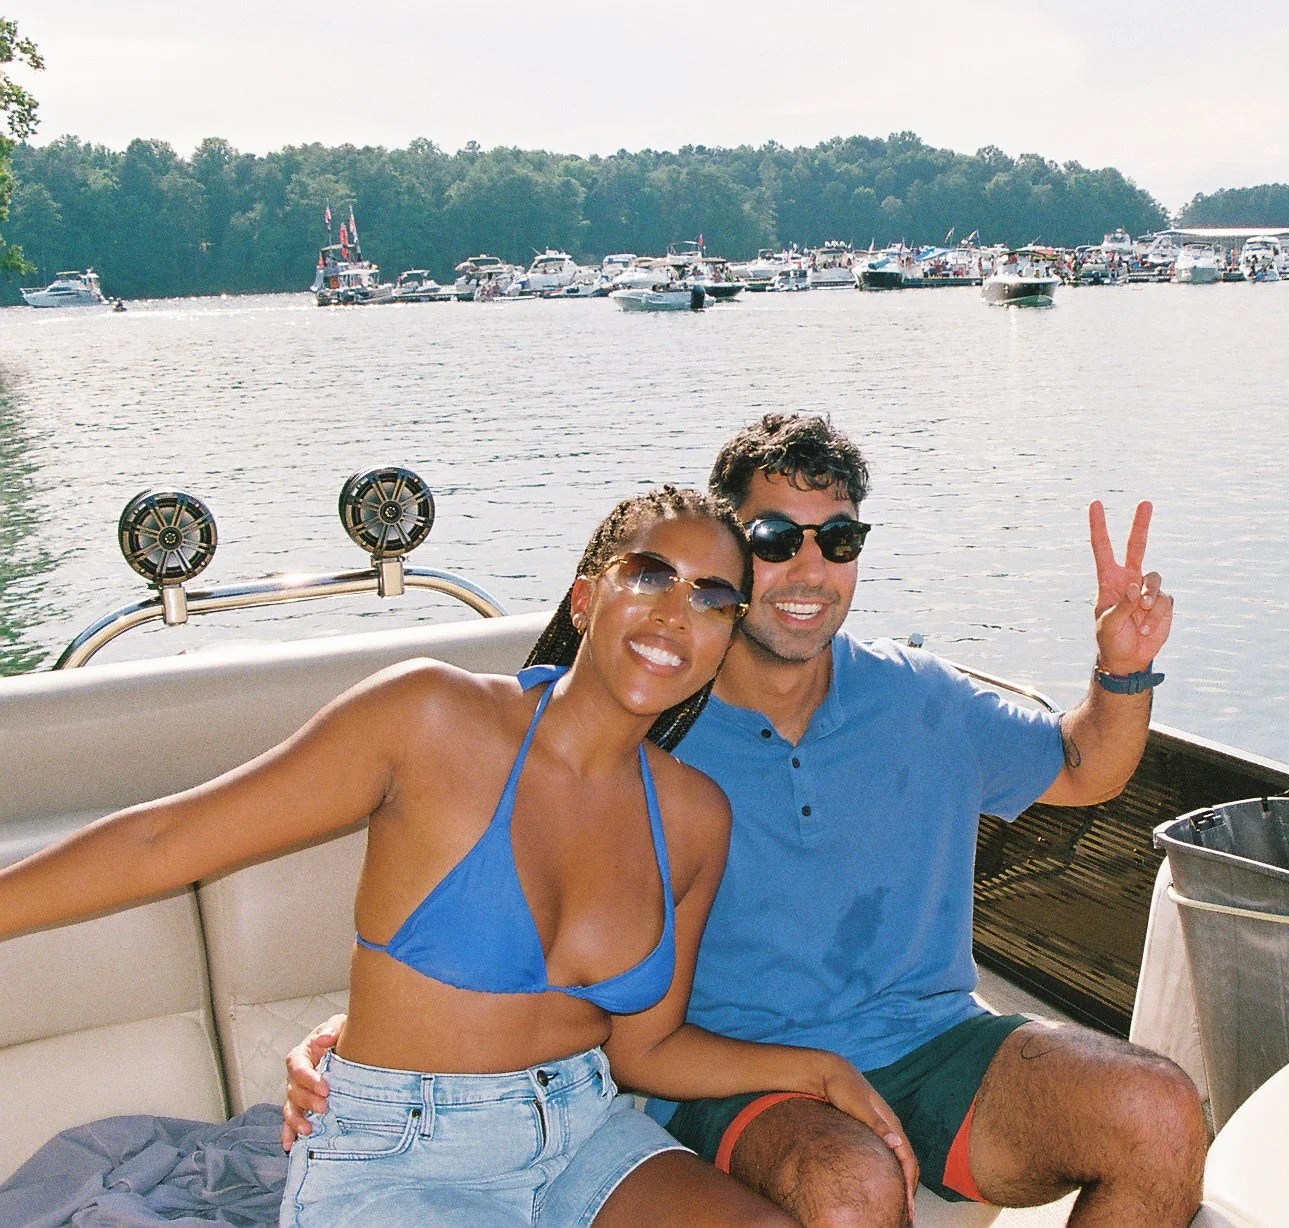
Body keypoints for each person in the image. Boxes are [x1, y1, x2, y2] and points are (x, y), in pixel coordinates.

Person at [290, 417, 1209, 1226]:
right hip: (731, 1072)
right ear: (730, 552)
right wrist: (359, 1040)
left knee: (1162, 1114)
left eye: (839, 538)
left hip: (933, 1041)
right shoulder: (650, 719)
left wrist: (1123, 667)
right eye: (777, 538)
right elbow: (497, 889)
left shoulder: (922, 698)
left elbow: (1086, 767)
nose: (811, 569)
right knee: (848, 1187)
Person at [2, 485, 915, 1228]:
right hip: (396, 1156)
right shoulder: (432, 717)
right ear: (586, 598)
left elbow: (648, 1049)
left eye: (714, 599)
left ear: (725, 641)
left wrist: (812, 1066)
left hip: (586, 1134)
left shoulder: (693, 818)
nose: (678, 615)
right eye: (649, 576)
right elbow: (161, 838)